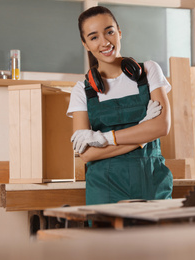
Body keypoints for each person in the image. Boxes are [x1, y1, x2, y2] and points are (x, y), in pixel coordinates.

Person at [66, 6, 173, 205]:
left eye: (109, 32)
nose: (105, 42)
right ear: (86, 44)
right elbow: (88, 154)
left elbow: (161, 127)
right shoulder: (82, 91)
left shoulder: (148, 72)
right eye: (94, 37)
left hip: (152, 184)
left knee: (159, 236)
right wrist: (142, 135)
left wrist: (104, 138)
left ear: (119, 32)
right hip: (105, 190)